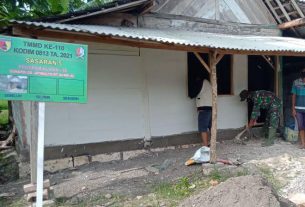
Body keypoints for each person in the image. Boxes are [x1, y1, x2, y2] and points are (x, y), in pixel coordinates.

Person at [291, 68, 305, 149]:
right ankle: (303, 144)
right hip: (298, 109)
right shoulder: (296, 82)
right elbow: (294, 95)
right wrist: (293, 108)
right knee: (301, 126)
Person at [196, 78, 212, 146]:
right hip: (211, 106)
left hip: (204, 107)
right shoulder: (208, 83)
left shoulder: (201, 81)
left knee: (203, 127)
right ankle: (212, 143)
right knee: (211, 126)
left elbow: (193, 93)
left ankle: (205, 145)